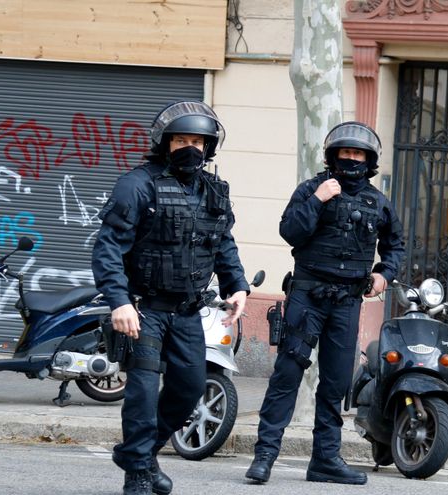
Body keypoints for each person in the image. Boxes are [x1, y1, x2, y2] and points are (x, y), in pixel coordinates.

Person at [92, 100, 250, 495]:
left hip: (187, 312)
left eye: (198, 140)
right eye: (181, 139)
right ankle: (138, 475)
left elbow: (223, 243)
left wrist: (238, 286)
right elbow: (107, 248)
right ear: (164, 142)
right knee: (143, 392)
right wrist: (119, 301)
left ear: (209, 146)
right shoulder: (137, 185)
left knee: (189, 388)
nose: (190, 148)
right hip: (144, 309)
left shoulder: (214, 192)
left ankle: (138, 453)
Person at [245, 121, 405, 486]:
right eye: (346, 153)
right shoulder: (311, 189)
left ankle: (325, 460)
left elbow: (396, 244)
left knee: (335, 384)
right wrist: (318, 199)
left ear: (369, 160)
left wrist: (385, 274)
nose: (352, 159)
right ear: (333, 157)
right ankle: (265, 456)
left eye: (359, 154)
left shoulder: (377, 202)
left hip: (347, 303)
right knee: (287, 375)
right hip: (307, 298)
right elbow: (290, 230)